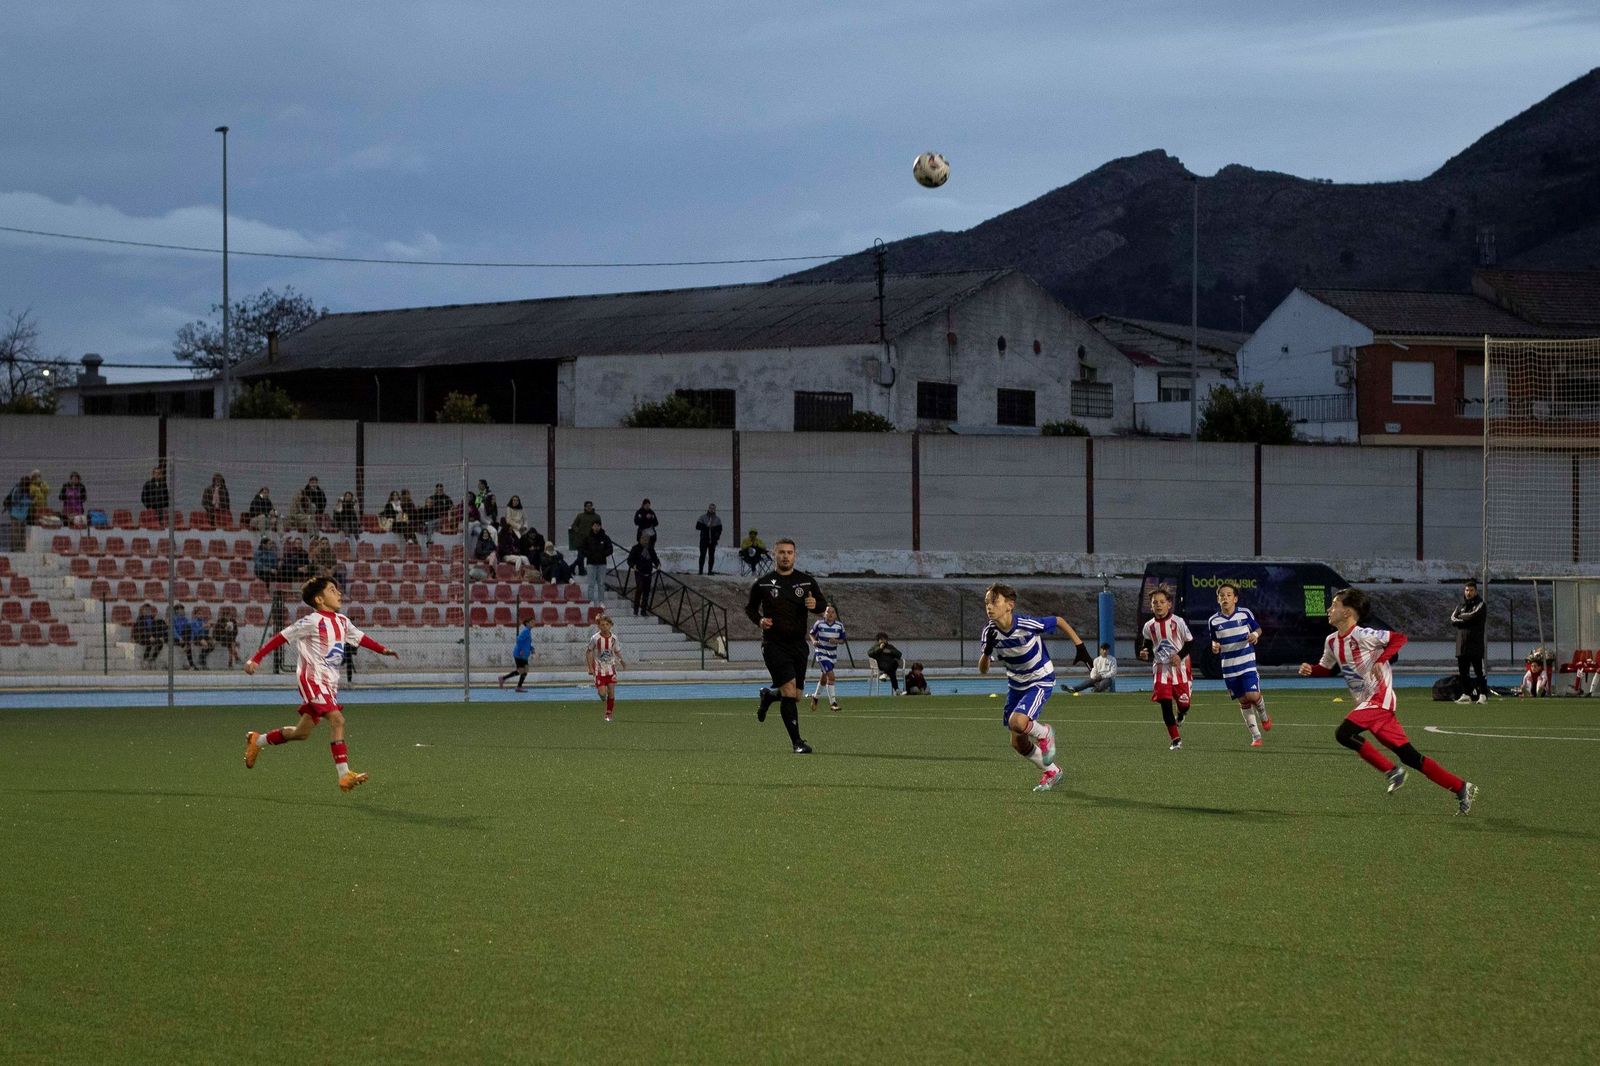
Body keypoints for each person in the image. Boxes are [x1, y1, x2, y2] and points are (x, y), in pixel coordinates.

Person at [1300, 587, 1477, 815]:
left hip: (1379, 699)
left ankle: (1393, 771)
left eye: (1334, 605)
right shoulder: (1332, 641)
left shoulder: (1364, 635)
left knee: (1343, 733)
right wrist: (1311, 670)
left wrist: (1380, 659)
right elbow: (1325, 668)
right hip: (1367, 706)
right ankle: (1461, 787)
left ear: (1347, 612)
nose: (1329, 609)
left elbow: (1399, 638)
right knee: (1410, 756)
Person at [242, 576, 399, 792]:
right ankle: (344, 775)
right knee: (337, 719)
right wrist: (256, 659)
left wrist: (383, 650)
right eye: (332, 590)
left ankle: (257, 741)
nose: (339, 593)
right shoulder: (312, 621)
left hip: (330, 683)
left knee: (301, 733)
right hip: (312, 679)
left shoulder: (342, 621)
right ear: (319, 599)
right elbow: (281, 637)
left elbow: (360, 638)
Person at [978, 583, 1090, 792]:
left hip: (1040, 679)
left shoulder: (1026, 624)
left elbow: (1058, 621)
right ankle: (1053, 771)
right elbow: (983, 669)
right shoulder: (989, 632)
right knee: (1018, 743)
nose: (989, 607)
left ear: (1010, 605)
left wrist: (1080, 647)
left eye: (994, 601)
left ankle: (1045, 733)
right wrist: (987, 651)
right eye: (986, 603)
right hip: (1016, 686)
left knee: (1018, 722)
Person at [747, 537, 827, 754]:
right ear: (774, 554)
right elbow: (750, 609)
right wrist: (759, 620)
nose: (785, 556)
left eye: (789, 553)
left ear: (795, 555)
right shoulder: (763, 583)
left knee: (796, 696)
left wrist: (815, 604)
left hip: (798, 645)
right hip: (774, 644)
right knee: (790, 690)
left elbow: (822, 605)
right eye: (781, 552)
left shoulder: (806, 582)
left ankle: (769, 696)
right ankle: (797, 743)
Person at [1209, 582, 1273, 747]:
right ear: (1218, 599)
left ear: (1235, 599)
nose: (1225, 598)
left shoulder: (1244, 614)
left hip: (1247, 662)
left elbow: (1258, 629)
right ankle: (1256, 736)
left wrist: (1254, 635)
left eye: (1229, 595)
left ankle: (1264, 716)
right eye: (1222, 595)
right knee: (1244, 700)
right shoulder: (1213, 621)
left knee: (1252, 695)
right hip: (1229, 667)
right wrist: (1215, 647)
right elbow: (1214, 640)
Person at [1139, 585, 1194, 751]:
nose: (1158, 605)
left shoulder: (1178, 622)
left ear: (1169, 604)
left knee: (1184, 704)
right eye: (1155, 602)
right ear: (1151, 606)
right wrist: (1144, 652)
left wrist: (1180, 655)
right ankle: (1176, 740)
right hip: (1161, 667)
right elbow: (1147, 644)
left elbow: (1190, 642)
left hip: (1180, 668)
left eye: (1162, 602)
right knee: (1164, 702)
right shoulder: (1148, 626)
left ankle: (1181, 713)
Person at [1451, 578, 1489, 705]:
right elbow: (1452, 619)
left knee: (1479, 671)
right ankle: (1466, 694)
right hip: (1462, 644)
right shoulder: (1460, 605)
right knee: (1463, 671)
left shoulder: (1481, 604)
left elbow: (1473, 615)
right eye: (1467, 590)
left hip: (1475, 643)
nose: (1469, 593)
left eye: (1471, 590)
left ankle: (1483, 695)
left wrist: (1461, 617)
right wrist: (1465, 620)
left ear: (1476, 591)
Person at [585, 614, 626, 723]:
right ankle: (603, 697)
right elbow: (588, 652)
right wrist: (590, 668)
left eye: (607, 624)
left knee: (611, 691)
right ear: (599, 626)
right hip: (599, 670)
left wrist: (622, 661)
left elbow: (616, 651)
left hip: (611, 669)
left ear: (611, 625)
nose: (605, 627)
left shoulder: (614, 638)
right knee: (603, 694)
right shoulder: (595, 638)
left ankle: (608, 714)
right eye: (602, 625)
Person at [807, 605, 846, 712]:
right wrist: (814, 641)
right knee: (831, 677)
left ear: (835, 614)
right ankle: (833, 703)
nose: (830, 614)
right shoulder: (819, 624)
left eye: (832, 612)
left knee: (824, 679)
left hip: (832, 655)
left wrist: (836, 641)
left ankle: (815, 697)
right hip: (821, 653)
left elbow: (843, 640)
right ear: (824, 614)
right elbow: (811, 634)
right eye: (828, 612)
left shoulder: (839, 626)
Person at [581, 520, 615, 603]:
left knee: (601, 584)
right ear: (592, 526)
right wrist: (589, 554)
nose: (597, 527)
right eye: (595, 525)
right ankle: (590, 601)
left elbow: (610, 549)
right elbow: (582, 549)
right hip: (591, 563)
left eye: (598, 525)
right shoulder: (587, 537)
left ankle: (601, 601)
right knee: (591, 584)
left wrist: (603, 554)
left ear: (600, 526)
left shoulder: (605, 537)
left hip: (602, 563)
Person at [626, 532, 659, 616]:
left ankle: (643, 610)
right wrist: (633, 565)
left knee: (646, 592)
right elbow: (629, 560)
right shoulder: (635, 548)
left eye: (647, 540)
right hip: (639, 572)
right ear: (640, 539)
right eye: (643, 539)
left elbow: (655, 558)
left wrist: (658, 565)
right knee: (639, 589)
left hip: (648, 572)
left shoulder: (650, 548)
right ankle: (636, 609)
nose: (645, 541)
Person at [499, 615, 535, 692]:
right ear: (527, 623)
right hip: (519, 655)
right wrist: (521, 650)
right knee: (523, 670)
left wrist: (531, 648)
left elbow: (526, 643)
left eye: (534, 622)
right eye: (532, 622)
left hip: (523, 655)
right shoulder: (526, 631)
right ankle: (515, 685)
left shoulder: (528, 631)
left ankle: (504, 679)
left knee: (523, 670)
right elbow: (518, 640)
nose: (533, 624)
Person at [568, 500, 601, 575]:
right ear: (585, 507)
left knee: (586, 556)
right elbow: (574, 525)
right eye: (587, 506)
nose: (589, 507)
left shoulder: (596, 516)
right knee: (580, 556)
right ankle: (581, 571)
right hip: (581, 540)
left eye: (590, 506)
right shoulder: (580, 516)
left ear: (592, 507)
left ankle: (572, 567)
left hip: (591, 540)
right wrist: (578, 531)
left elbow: (599, 527)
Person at [695, 503, 723, 575]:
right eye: (711, 508)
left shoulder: (717, 519)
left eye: (713, 508)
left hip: (712, 541)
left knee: (711, 556)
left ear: (715, 510)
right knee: (702, 555)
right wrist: (706, 526)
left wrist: (717, 537)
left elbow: (720, 530)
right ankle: (700, 571)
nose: (712, 510)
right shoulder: (702, 517)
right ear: (708, 509)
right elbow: (697, 526)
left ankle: (710, 571)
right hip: (704, 540)